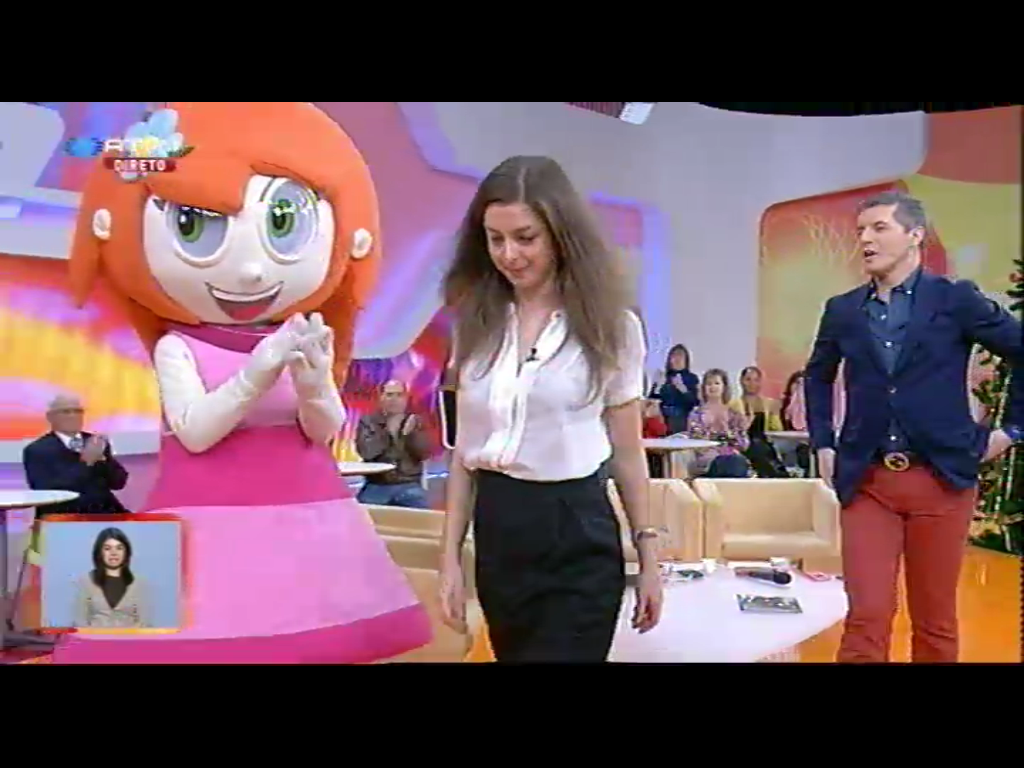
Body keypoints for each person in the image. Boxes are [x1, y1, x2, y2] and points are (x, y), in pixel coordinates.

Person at [56, 102, 431, 664]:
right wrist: (257, 371)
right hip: (206, 523)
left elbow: (321, 429)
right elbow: (195, 431)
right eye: (194, 225)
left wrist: (314, 382)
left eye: (282, 223)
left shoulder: (301, 334)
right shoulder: (179, 347)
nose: (252, 270)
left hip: (305, 519)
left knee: (311, 640)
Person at [438, 155, 663, 662]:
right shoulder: (474, 324)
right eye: (495, 239)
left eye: (525, 238)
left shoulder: (611, 326)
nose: (509, 255)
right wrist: (449, 558)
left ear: (561, 235)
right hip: (500, 533)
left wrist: (649, 556)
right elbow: (463, 456)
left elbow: (628, 453)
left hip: (575, 531)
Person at [805, 190, 1022, 663]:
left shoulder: (955, 299)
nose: (865, 239)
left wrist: (1011, 432)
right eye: (861, 231)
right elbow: (817, 376)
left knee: (935, 620)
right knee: (866, 616)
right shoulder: (842, 309)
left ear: (915, 235)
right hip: (868, 482)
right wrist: (823, 443)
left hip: (942, 479)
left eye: (879, 228)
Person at [22, 396, 128, 515]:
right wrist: (86, 462)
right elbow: (47, 491)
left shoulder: (95, 442)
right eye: (66, 412)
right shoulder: (37, 450)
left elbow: (118, 483)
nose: (73, 416)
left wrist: (104, 461)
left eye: (77, 411)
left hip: (106, 512)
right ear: (50, 417)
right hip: (63, 515)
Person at [355, 380, 431, 508]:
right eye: (389, 395)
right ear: (381, 398)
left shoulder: (415, 421)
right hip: (377, 485)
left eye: (399, 395)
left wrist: (410, 434)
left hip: (408, 484)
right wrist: (387, 430)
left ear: (405, 399)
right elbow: (367, 453)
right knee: (360, 516)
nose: (394, 400)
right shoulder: (368, 421)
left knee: (424, 516)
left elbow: (423, 454)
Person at [73, 528, 150, 629]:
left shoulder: (139, 583)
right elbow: (79, 621)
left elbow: (145, 622)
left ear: (126, 552)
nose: (114, 553)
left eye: (119, 548)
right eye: (107, 548)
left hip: (130, 638)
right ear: (99, 552)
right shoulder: (86, 581)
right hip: (95, 638)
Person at [684, 369, 751, 478]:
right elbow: (696, 444)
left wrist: (728, 431)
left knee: (735, 462)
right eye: (709, 384)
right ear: (704, 388)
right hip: (707, 460)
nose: (712, 387)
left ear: (724, 387)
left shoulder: (734, 414)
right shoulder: (696, 414)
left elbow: (744, 445)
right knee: (727, 465)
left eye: (717, 383)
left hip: (732, 457)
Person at [656, 344, 699, 434]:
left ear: (686, 360)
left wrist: (683, 389)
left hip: (681, 418)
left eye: (680, 356)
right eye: (674, 355)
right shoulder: (663, 377)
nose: (677, 359)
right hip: (662, 417)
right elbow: (653, 399)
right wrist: (658, 385)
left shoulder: (692, 378)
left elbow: (695, 402)